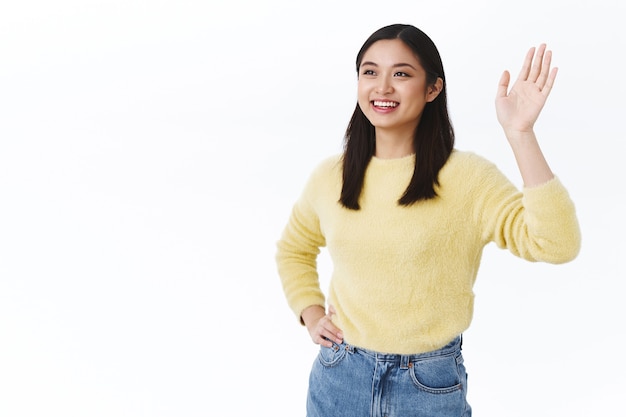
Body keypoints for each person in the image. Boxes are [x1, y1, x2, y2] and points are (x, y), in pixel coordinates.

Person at [275, 23, 580, 417]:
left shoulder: (468, 178)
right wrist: (310, 312)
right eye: (370, 72)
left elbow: (557, 244)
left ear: (433, 88)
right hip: (340, 376)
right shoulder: (330, 176)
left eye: (401, 74)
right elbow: (293, 250)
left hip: (427, 385)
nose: (382, 87)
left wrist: (520, 133)